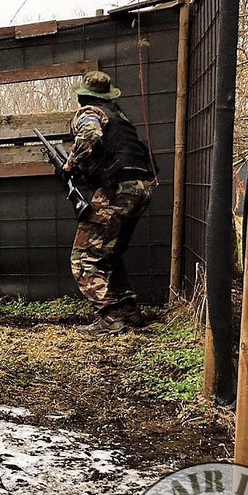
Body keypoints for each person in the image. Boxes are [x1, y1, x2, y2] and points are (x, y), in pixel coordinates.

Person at [63, 70, 158, 334]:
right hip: (142, 188)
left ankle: (109, 316)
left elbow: (90, 135)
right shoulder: (121, 118)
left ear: (83, 95)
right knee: (111, 251)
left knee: (83, 258)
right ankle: (128, 308)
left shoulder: (90, 112)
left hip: (117, 190)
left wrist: (71, 163)